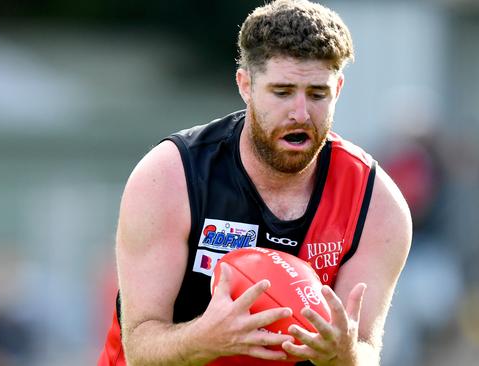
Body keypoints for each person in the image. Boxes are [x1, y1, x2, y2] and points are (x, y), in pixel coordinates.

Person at [98, 1, 411, 365]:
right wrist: (208, 337)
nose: (300, 113)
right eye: (282, 92)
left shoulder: (375, 204)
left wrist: (343, 355)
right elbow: (139, 349)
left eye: (317, 94)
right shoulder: (171, 176)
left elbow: (365, 352)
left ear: (337, 89)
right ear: (245, 85)